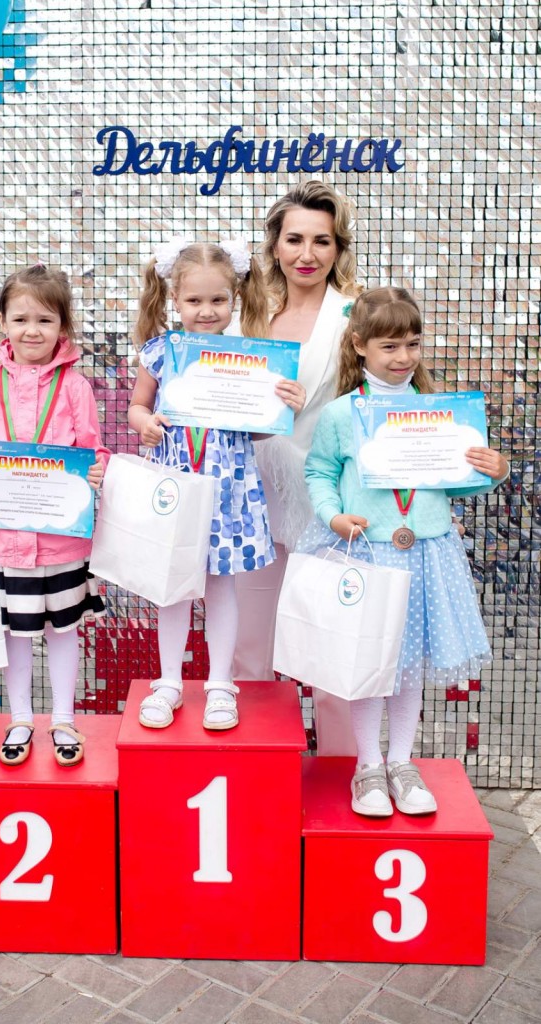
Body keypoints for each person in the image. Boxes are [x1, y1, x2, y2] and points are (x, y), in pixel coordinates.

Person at [301, 286, 509, 815]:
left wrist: (491, 472)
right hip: (369, 552)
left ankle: (401, 762)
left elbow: (452, 482)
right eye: (390, 346)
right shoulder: (342, 415)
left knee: (409, 661)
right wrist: (332, 515)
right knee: (372, 660)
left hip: (427, 553)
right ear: (360, 345)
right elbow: (319, 471)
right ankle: (368, 766)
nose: (403, 357)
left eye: (412, 344)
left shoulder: (441, 413)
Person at [0, 265, 110, 767]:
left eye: (45, 320)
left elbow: (94, 448)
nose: (33, 330)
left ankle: (64, 719)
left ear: (63, 327)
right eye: (21, 319)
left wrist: (98, 471)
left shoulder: (76, 386)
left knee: (63, 629)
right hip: (5, 538)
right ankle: (21, 718)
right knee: (13, 632)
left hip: (62, 539)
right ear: (3, 323)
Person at [129, 239, 300, 730]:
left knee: (223, 589)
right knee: (173, 590)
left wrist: (285, 408)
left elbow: (259, 432)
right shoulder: (159, 353)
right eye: (194, 300)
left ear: (235, 298)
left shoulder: (251, 360)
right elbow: (137, 406)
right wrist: (145, 424)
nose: (206, 311)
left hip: (230, 493)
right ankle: (168, 682)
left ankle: (221, 684)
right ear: (174, 300)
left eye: (218, 300)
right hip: (175, 491)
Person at [233, 179, 360, 754]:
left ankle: (341, 767)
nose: (307, 254)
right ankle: (253, 770)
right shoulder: (245, 314)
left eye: (321, 241)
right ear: (275, 245)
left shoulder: (355, 317)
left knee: (331, 646)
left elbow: (377, 405)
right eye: (295, 240)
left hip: (326, 501)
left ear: (338, 249)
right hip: (250, 494)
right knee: (248, 645)